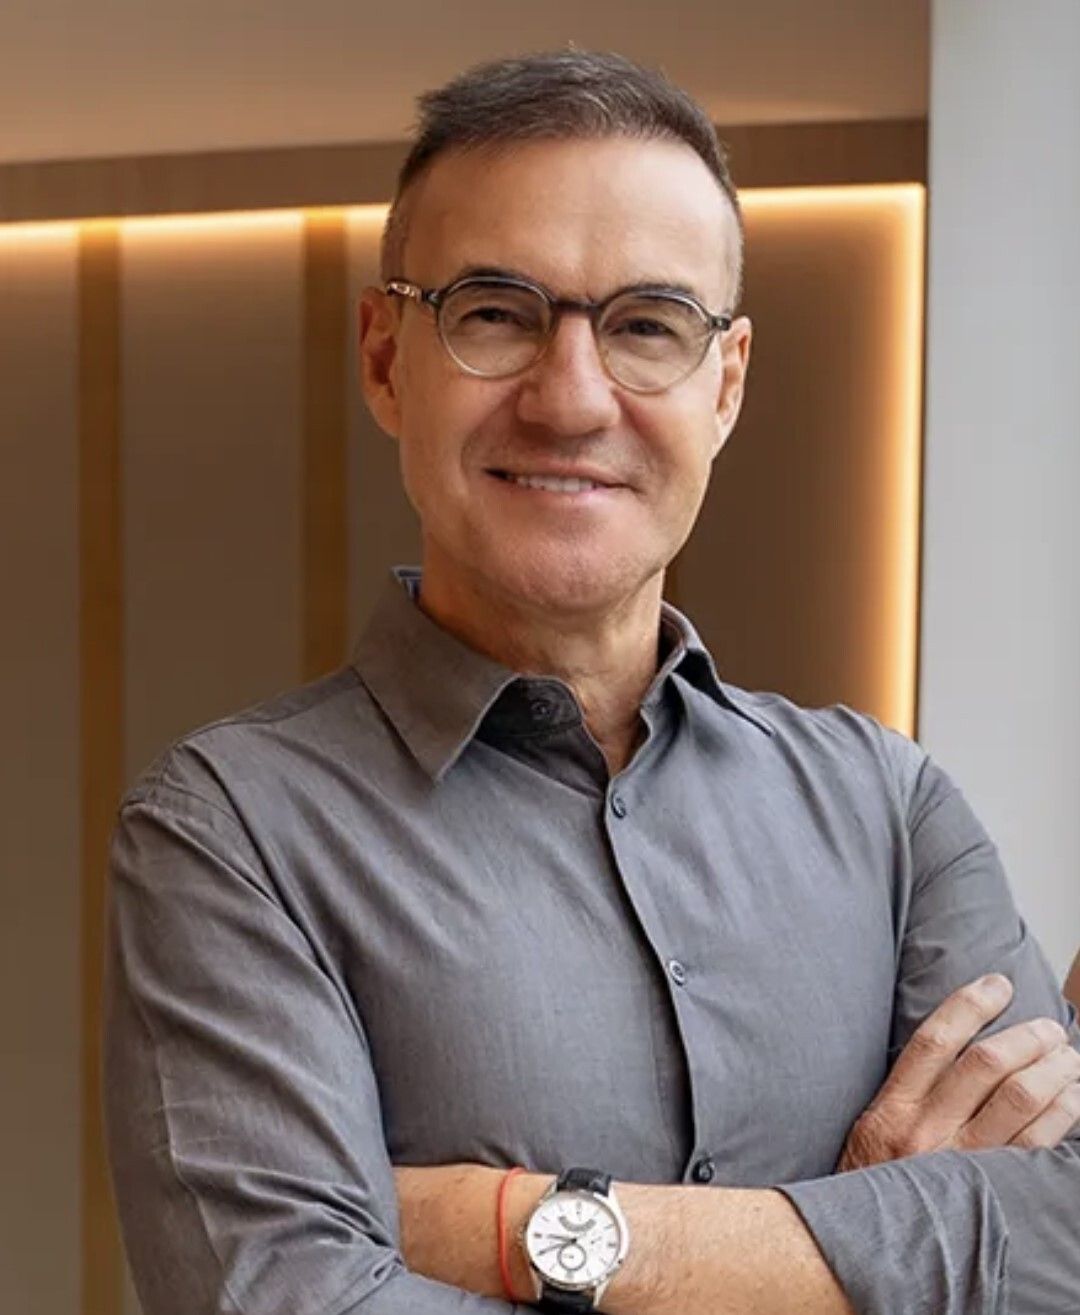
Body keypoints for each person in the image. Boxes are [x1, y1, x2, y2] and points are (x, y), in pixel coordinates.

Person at [103, 50, 1080, 1315]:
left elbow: (1064, 1252)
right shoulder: (228, 832)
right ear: (387, 359)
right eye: (495, 313)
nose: (570, 400)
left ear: (726, 384)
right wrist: (874, 1246)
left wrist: (535, 1234)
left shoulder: (894, 813)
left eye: (648, 325)